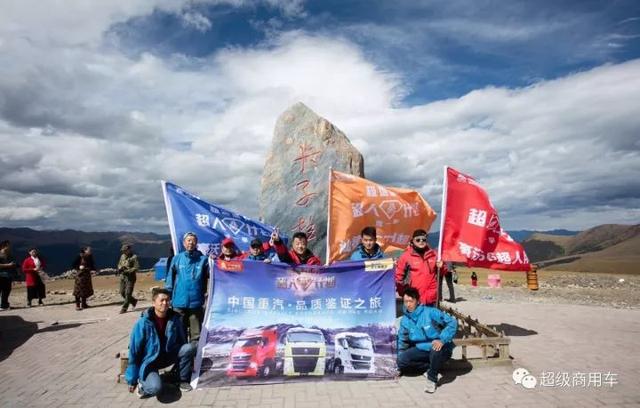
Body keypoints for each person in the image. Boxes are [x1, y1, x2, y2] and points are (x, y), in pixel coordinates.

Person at [126, 288, 195, 398]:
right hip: (150, 361)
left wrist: (183, 363)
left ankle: (181, 380)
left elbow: (182, 341)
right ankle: (142, 384)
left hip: (168, 355)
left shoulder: (175, 319)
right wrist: (131, 379)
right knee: (155, 388)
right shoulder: (143, 323)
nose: (165, 303)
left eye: (167, 300)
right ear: (154, 303)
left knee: (188, 348)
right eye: (161, 300)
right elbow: (134, 352)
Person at [397, 287, 457, 393]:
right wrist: (399, 364)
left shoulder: (430, 312)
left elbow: (452, 323)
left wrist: (442, 340)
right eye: (406, 301)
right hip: (421, 349)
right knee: (401, 360)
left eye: (411, 301)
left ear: (417, 301)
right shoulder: (405, 320)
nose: (408, 304)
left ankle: (432, 379)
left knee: (435, 348)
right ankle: (430, 366)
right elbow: (402, 341)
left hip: (441, 347)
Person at [165, 232, 208, 343]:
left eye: (193, 240)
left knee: (196, 335)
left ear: (196, 243)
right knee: (179, 333)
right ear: (184, 243)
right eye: (188, 240)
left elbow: (212, 275)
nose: (191, 242)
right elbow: (170, 278)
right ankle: (182, 358)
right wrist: (167, 295)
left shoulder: (203, 260)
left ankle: (195, 357)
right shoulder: (177, 259)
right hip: (179, 302)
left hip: (196, 303)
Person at [395, 229, 447, 306]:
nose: (421, 241)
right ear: (412, 241)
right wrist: (404, 294)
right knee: (413, 318)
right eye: (418, 240)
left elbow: (442, 272)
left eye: (424, 239)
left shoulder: (434, 255)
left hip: (431, 298)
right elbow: (398, 277)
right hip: (413, 298)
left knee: (431, 318)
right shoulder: (405, 256)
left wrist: (442, 267)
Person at [118, 244, 139, 314]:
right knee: (122, 292)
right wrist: (120, 268)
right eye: (123, 251)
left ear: (129, 250)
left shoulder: (134, 257)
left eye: (125, 250)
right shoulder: (122, 256)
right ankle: (133, 301)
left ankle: (124, 308)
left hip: (130, 278)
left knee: (128, 293)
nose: (124, 252)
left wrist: (128, 270)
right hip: (122, 277)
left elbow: (136, 267)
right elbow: (119, 264)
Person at [0, 240, 18, 311]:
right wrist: (8, 265)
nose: (9, 247)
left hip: (8, 275)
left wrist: (14, 265)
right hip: (1, 275)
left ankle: (4, 305)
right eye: (8, 245)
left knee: (7, 290)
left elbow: (11, 263)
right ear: (4, 246)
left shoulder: (9, 254)